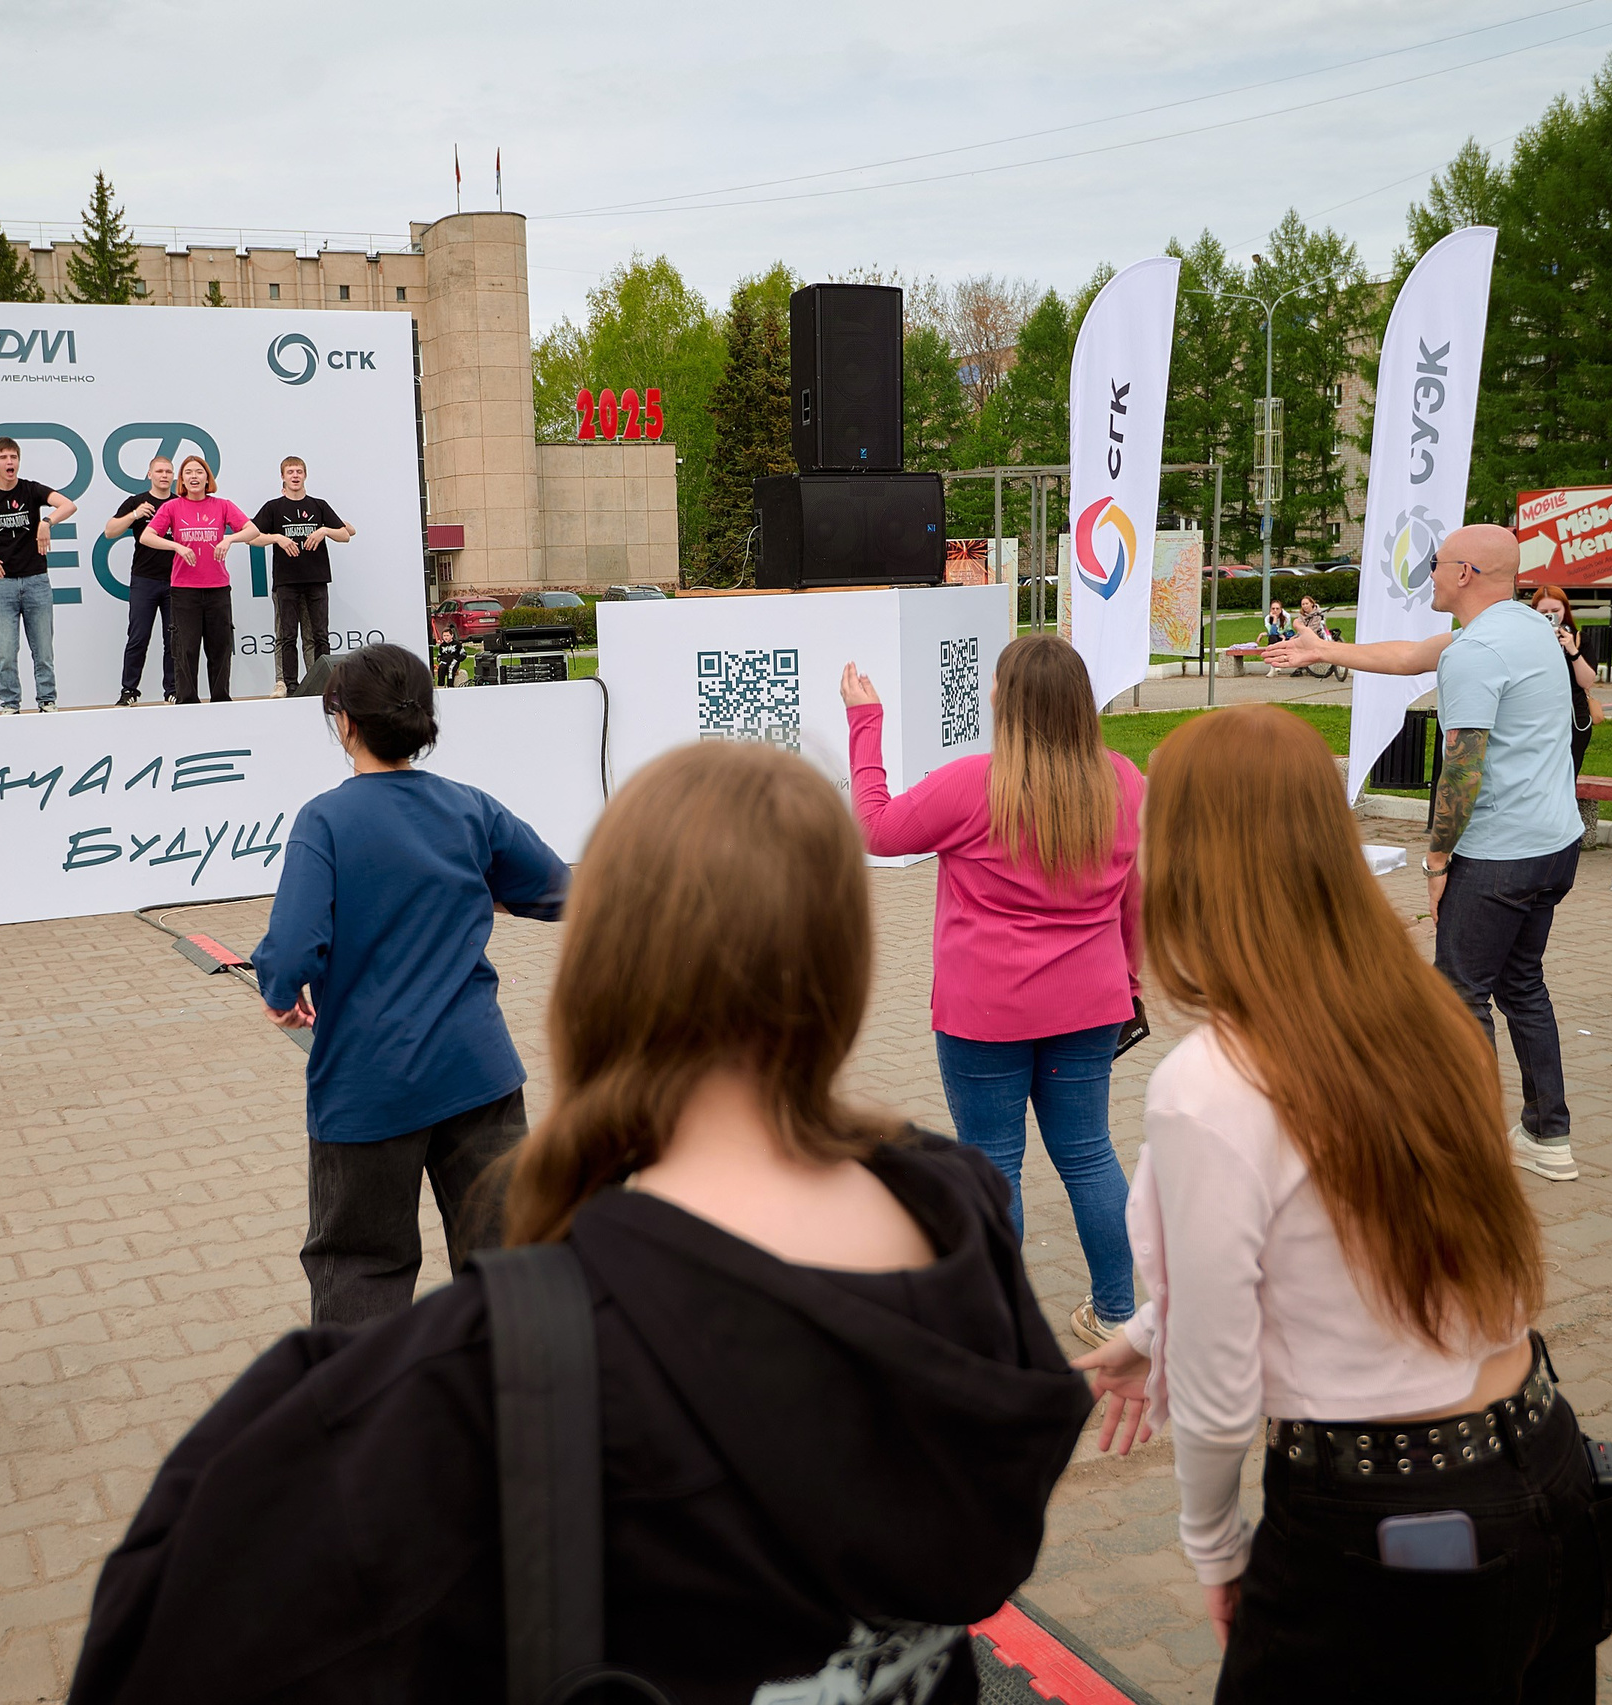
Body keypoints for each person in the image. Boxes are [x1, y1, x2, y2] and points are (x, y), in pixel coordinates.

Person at [72, 738, 1093, 1702]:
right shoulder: (958, 1219)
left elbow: (163, 1644)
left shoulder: (490, 1377)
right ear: (845, 962)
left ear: (605, 964)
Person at [1076, 703, 1612, 1703]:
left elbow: (1219, 1384)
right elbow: (1342, 1235)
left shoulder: (1209, 1083)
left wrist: (1215, 1545)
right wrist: (1160, 1323)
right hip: (1545, 1473)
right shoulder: (1422, 1018)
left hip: (1381, 1528)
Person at [248, 643, 569, 1325]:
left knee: (361, 1265)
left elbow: (291, 952)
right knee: (507, 1262)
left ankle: (369, 1422)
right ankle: (524, 1412)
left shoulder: (325, 821)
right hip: (477, 1073)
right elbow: (561, 889)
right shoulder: (470, 810)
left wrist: (280, 990)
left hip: (369, 1086)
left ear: (345, 724)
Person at [840, 636, 1145, 1346]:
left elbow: (874, 828)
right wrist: (1130, 979)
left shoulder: (974, 782)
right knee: (1090, 1152)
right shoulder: (1124, 780)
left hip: (986, 1010)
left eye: (995, 686)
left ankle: (999, 1331)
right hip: (1092, 1003)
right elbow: (1134, 895)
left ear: (1008, 702)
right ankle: (1121, 1317)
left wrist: (865, 722)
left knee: (992, 1163)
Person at [1261, 525, 1586, 1183]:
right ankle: (1548, 1134)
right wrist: (1320, 649)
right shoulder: (1523, 627)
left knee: (1458, 996)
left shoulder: (1479, 651)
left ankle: (1465, 1149)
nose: (1429, 574)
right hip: (1554, 845)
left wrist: (1436, 862)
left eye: (1435, 564)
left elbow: (1461, 771)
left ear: (1464, 572)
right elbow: (1410, 655)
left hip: (1500, 855)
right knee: (1521, 983)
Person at [0, 437, 77, 713]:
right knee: (5, 653)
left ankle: (47, 701)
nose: (10, 462)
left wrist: (47, 521)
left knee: (43, 651)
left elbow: (68, 505)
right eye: (4, 458)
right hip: (1, 584)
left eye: (13, 457)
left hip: (36, 581)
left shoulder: (31, 490)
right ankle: (10, 704)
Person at [140, 456, 262, 706]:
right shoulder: (172, 508)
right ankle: (188, 703)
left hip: (217, 589)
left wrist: (229, 539)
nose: (194, 477)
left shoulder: (223, 505)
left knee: (220, 649)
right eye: (188, 473)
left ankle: (220, 702)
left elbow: (253, 531)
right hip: (184, 591)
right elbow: (147, 536)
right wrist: (176, 546)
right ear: (181, 479)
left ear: (208, 478)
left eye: (199, 472)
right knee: (185, 650)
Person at [252, 455, 353, 697]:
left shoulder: (318, 505)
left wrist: (325, 531)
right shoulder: (273, 507)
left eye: (299, 471)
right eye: (290, 472)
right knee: (287, 635)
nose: (295, 476)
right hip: (286, 582)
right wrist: (276, 537)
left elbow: (345, 535)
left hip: (316, 580)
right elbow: (252, 537)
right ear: (283, 477)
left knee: (320, 635)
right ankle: (289, 685)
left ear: (305, 475)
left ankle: (326, 684)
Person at [108, 455, 178, 706]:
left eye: (168, 471)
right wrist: (135, 515)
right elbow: (110, 531)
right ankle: (129, 690)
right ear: (149, 474)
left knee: (174, 638)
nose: (164, 475)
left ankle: (172, 689)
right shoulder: (137, 502)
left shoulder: (179, 503)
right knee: (138, 636)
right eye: (159, 471)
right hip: (144, 580)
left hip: (175, 580)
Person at [1531, 584, 1600, 774]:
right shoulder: (1528, 640)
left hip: (1573, 717)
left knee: (1568, 773)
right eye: (1543, 611)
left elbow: (1586, 682)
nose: (1550, 615)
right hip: (1539, 717)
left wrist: (1572, 650)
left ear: (1565, 610)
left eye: (1555, 611)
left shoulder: (1579, 639)